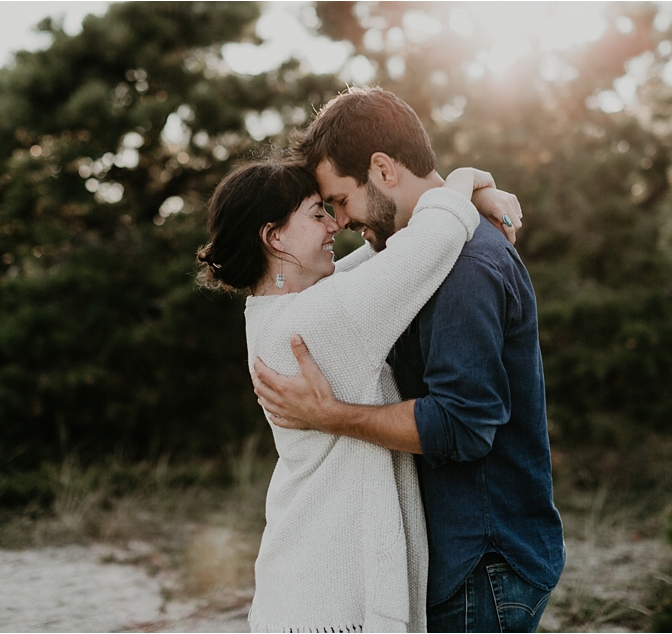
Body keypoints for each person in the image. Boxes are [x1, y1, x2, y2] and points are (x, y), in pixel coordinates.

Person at [252, 86, 566, 633]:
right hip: (466, 559)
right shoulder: (420, 253)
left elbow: (462, 424)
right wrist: (473, 187)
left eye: (341, 200)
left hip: (481, 561)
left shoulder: (462, 264)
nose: (341, 221)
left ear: (382, 169)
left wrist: (332, 417)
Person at [196, 153, 520, 632]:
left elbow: (386, 252)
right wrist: (468, 178)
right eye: (316, 213)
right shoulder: (320, 321)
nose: (334, 225)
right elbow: (431, 240)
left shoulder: (276, 311)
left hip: (304, 584)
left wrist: (466, 197)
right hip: (330, 598)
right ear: (274, 237)